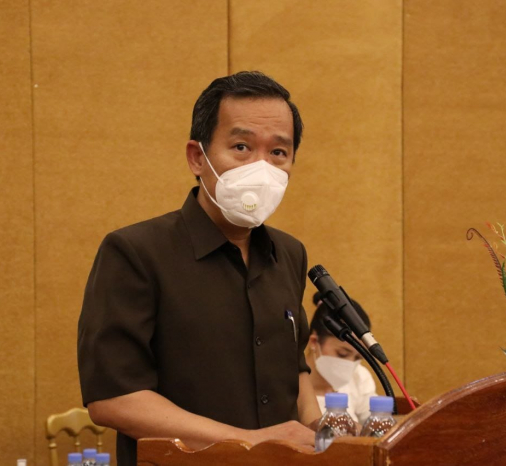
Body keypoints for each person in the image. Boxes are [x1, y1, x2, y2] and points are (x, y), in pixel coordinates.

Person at [77, 71, 322, 464]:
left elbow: (295, 370)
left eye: (278, 152)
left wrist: (319, 432)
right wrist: (247, 442)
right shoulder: (135, 252)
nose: (261, 167)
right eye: (241, 147)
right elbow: (113, 399)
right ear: (197, 157)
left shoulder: (289, 253)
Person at [306, 292, 378, 424]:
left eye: (358, 357)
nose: (350, 363)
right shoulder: (291, 387)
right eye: (342, 354)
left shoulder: (359, 377)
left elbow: (376, 425)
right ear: (314, 342)